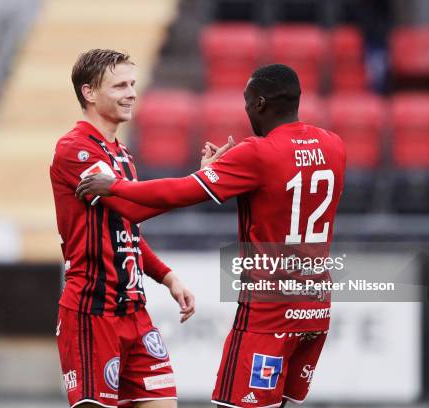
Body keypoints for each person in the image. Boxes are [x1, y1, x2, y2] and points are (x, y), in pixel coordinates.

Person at [76, 64, 346, 408]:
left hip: (268, 311)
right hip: (316, 308)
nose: (247, 110)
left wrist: (117, 186)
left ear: (260, 104)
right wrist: (222, 171)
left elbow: (181, 192)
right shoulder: (334, 145)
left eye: (247, 102)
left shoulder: (257, 152)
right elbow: (282, 189)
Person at [50, 49, 196, 408]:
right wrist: (199, 184)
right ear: (89, 93)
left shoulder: (122, 154)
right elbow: (130, 204)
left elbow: (127, 227)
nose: (132, 92)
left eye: (132, 83)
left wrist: (167, 277)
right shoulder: (75, 150)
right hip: (91, 313)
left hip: (134, 312)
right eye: (119, 85)